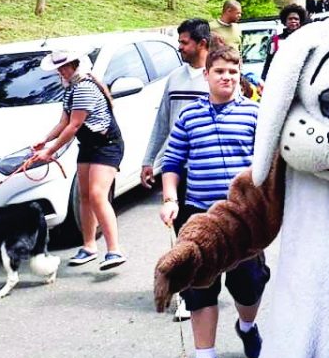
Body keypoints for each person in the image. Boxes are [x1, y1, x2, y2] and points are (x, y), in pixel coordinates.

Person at [159, 44, 268, 358]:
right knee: (198, 288)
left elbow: (269, 164)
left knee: (249, 284)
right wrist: (170, 198)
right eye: (220, 71)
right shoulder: (189, 116)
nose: (227, 77)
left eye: (233, 72)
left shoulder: (254, 114)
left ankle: (248, 328)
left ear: (240, 76)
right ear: (206, 75)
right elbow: (172, 163)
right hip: (198, 215)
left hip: (242, 217)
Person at [31, 49, 126, 271]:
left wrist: (50, 152)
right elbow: (63, 122)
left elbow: (74, 126)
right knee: (84, 196)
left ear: (75, 65)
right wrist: (44, 141)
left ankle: (114, 250)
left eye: (65, 66)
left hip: (107, 145)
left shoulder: (84, 87)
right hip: (89, 145)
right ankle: (89, 246)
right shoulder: (71, 88)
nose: (62, 71)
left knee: (96, 194)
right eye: (59, 68)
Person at [140, 18, 212, 191]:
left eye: (184, 43)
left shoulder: (217, 77)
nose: (179, 47)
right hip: (177, 167)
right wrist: (148, 160)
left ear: (202, 43)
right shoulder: (174, 78)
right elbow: (162, 122)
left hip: (207, 167)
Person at [260, 3, 307, 81]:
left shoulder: (305, 39)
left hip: (300, 79)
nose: (293, 21)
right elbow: (268, 62)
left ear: (300, 21)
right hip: (280, 80)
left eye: (296, 19)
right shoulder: (275, 40)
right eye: (290, 19)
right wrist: (263, 80)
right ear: (285, 21)